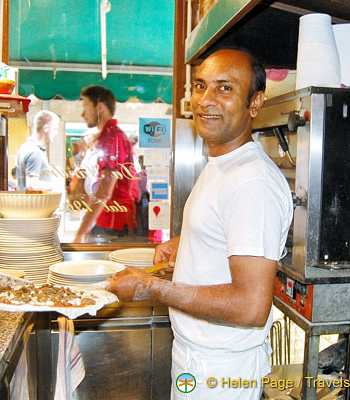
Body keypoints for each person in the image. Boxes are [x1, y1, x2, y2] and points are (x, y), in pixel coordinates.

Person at [106, 48, 293, 399]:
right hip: (197, 360)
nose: (206, 100)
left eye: (225, 89)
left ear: (255, 103)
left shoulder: (251, 180)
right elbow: (225, 230)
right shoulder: (221, 163)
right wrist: (190, 243)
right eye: (200, 86)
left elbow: (251, 306)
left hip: (220, 372)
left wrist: (151, 288)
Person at [74, 85, 139, 242]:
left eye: (86, 107)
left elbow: (105, 191)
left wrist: (81, 232)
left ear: (100, 107)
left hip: (113, 223)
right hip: (108, 220)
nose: (83, 114)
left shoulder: (112, 138)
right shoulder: (108, 137)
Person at [16, 110, 61, 191]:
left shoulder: (26, 147)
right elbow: (32, 185)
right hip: (34, 203)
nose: (56, 133)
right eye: (54, 129)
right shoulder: (35, 152)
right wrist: (56, 184)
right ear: (46, 128)